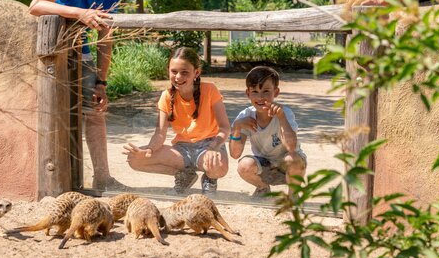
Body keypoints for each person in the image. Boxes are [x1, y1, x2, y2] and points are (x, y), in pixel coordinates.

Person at [29, 0, 128, 190]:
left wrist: (102, 83)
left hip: (80, 54)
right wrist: (79, 13)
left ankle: (102, 177)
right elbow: (35, 6)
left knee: (95, 111)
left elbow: (106, 43)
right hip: (49, 51)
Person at [122, 47, 230, 194]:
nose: (178, 77)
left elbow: (224, 128)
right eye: (174, 72)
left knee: (218, 166)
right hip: (182, 150)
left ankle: (210, 179)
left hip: (209, 145)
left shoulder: (210, 90)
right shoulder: (166, 96)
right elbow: (160, 133)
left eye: (184, 72)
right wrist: (148, 150)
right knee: (134, 159)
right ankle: (185, 176)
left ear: (196, 73)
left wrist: (213, 148)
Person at [229, 66, 306, 197]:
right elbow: (235, 154)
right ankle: (263, 187)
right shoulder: (245, 116)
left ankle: (293, 193)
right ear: (248, 93)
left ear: (275, 92)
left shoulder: (285, 113)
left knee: (293, 159)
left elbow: (291, 147)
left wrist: (281, 118)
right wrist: (236, 128)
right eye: (255, 92)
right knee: (244, 165)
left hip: (287, 165)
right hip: (264, 165)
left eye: (266, 91)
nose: (260, 97)